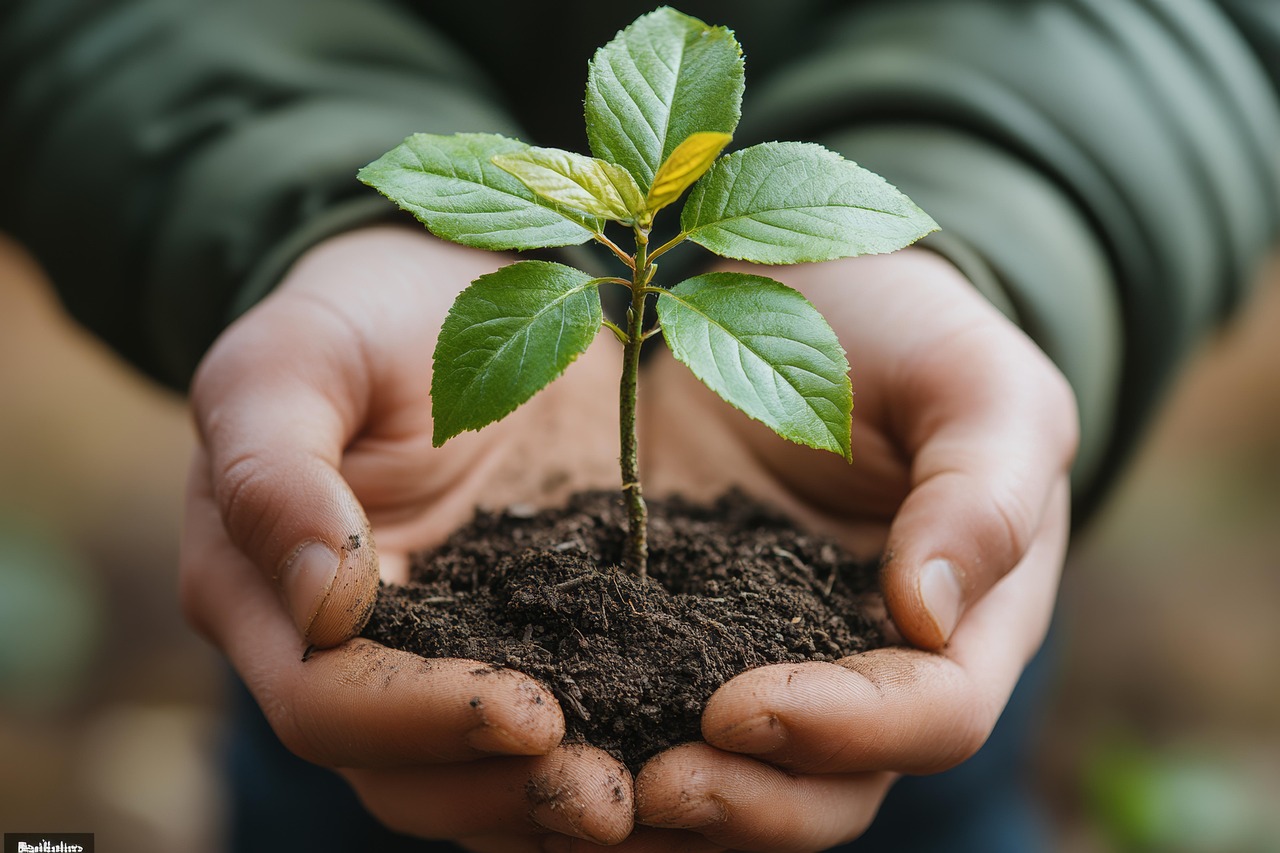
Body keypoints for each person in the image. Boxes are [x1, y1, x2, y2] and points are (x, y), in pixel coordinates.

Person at [2, 1, 1278, 850]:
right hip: (380, 541)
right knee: (353, 766)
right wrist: (324, 221)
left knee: (921, 767)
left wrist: (992, 245)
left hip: (880, 606)